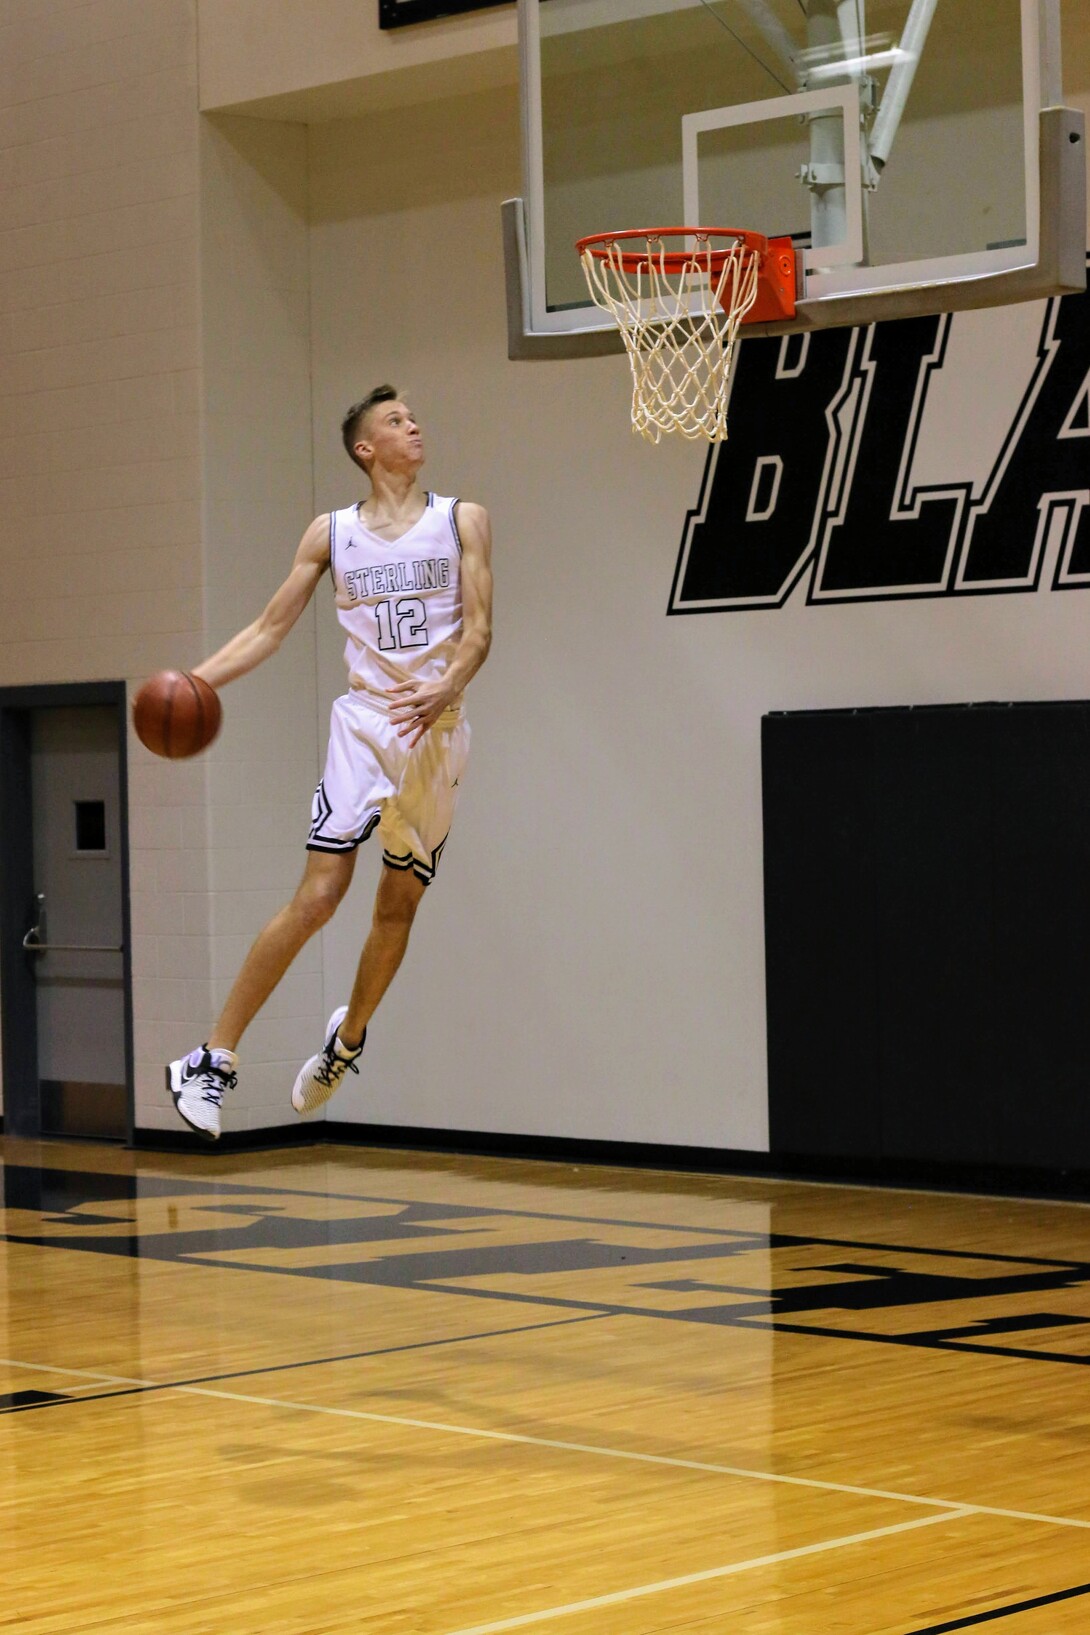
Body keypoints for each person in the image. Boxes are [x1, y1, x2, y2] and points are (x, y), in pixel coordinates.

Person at [166, 387, 493, 1139]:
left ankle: (346, 1043)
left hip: (438, 729)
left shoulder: (461, 520)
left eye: (415, 416)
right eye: (395, 420)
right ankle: (211, 1060)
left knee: (398, 904)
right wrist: (198, 681)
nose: (414, 424)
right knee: (319, 894)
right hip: (366, 724)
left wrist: (449, 680)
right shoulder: (333, 533)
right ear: (364, 449)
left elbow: (479, 632)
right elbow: (268, 627)